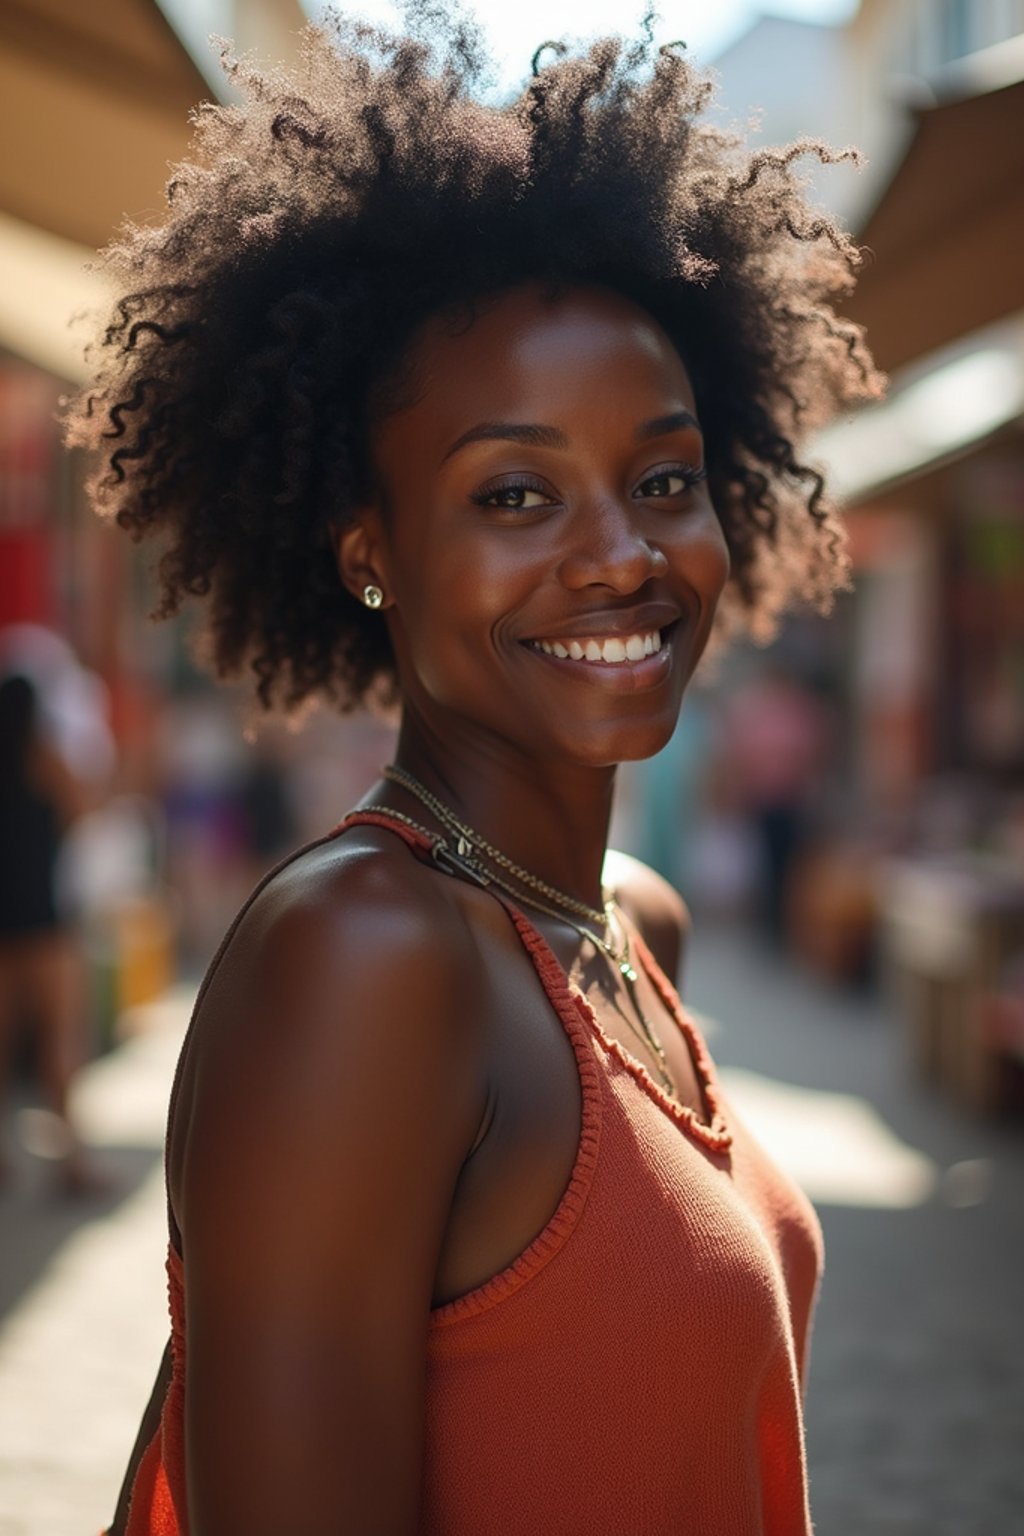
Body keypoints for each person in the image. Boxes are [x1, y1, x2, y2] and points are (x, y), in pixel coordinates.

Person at [68, 11, 881, 1533]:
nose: (624, 556)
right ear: (370, 551)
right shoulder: (364, 961)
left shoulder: (631, 930)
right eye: (516, 492)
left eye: (661, 478)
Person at [0, 673, 100, 1194]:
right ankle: (71, 1160)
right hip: (43, 913)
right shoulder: (47, 758)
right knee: (60, 1035)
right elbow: (82, 812)